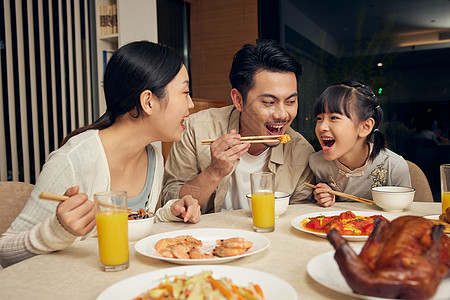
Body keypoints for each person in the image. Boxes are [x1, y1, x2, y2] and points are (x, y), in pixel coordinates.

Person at [0, 41, 201, 267]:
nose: (191, 104)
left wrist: (170, 212)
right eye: (185, 92)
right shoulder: (74, 159)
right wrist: (57, 230)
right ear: (148, 102)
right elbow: (5, 252)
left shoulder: (154, 157)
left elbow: (130, 221)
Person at [162, 39, 315, 213]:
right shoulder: (196, 129)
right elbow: (170, 202)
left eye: (290, 101)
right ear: (238, 100)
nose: (282, 114)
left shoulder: (301, 153)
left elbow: (298, 219)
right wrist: (213, 172)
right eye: (269, 102)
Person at [309, 80, 411, 207]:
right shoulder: (316, 164)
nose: (322, 126)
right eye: (319, 118)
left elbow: (404, 215)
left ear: (365, 127)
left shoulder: (394, 167)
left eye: (334, 118)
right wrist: (323, 197)